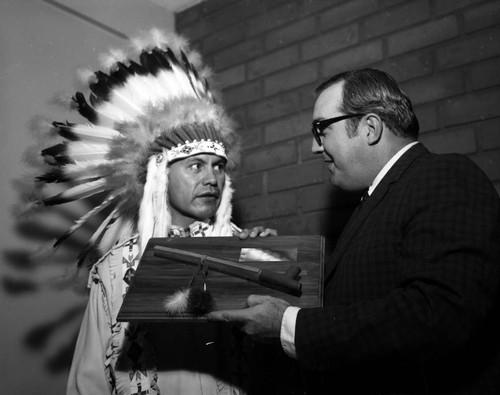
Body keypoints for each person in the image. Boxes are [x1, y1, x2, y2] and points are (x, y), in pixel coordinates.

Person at [208, 68, 500, 394]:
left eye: (321, 129)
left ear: (370, 127)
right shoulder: (377, 199)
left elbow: (440, 313)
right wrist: (265, 258)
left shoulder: (445, 176)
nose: (314, 147)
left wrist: (291, 326)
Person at [19, 29, 276, 395]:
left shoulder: (242, 253)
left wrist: (264, 264)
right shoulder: (114, 270)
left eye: (219, 166)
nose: (212, 178)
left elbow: (279, 355)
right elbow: (89, 380)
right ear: (161, 176)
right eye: (195, 166)